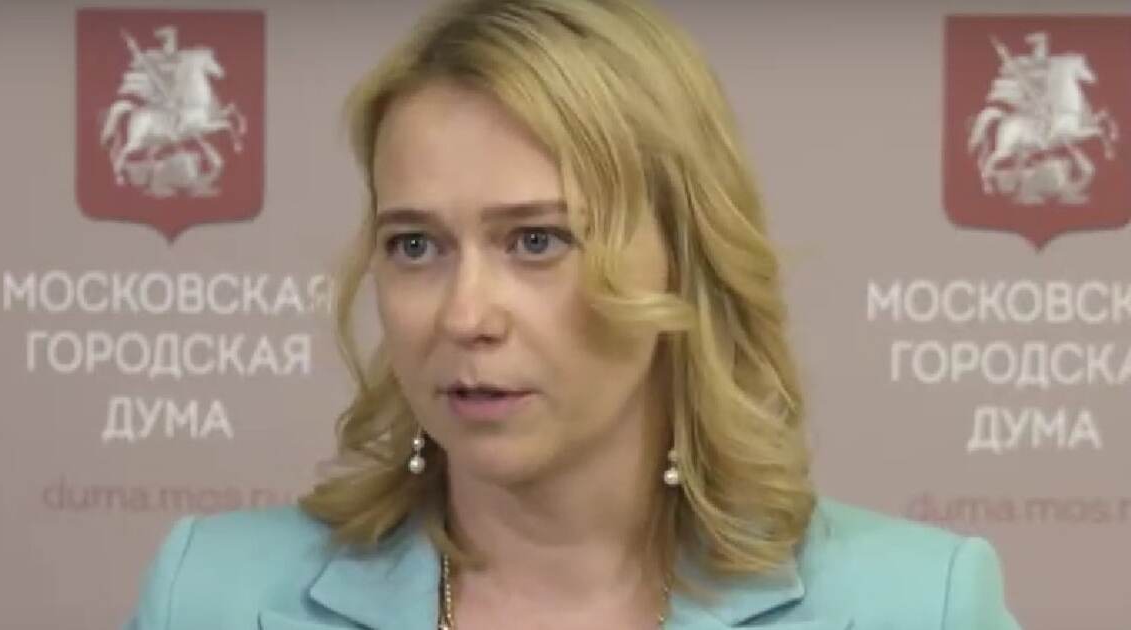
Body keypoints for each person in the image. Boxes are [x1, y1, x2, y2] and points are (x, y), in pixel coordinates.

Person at [123, 1, 1023, 628]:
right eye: (416, 245)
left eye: (536, 241)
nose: (465, 315)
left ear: (685, 261)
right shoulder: (209, 596)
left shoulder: (921, 605)